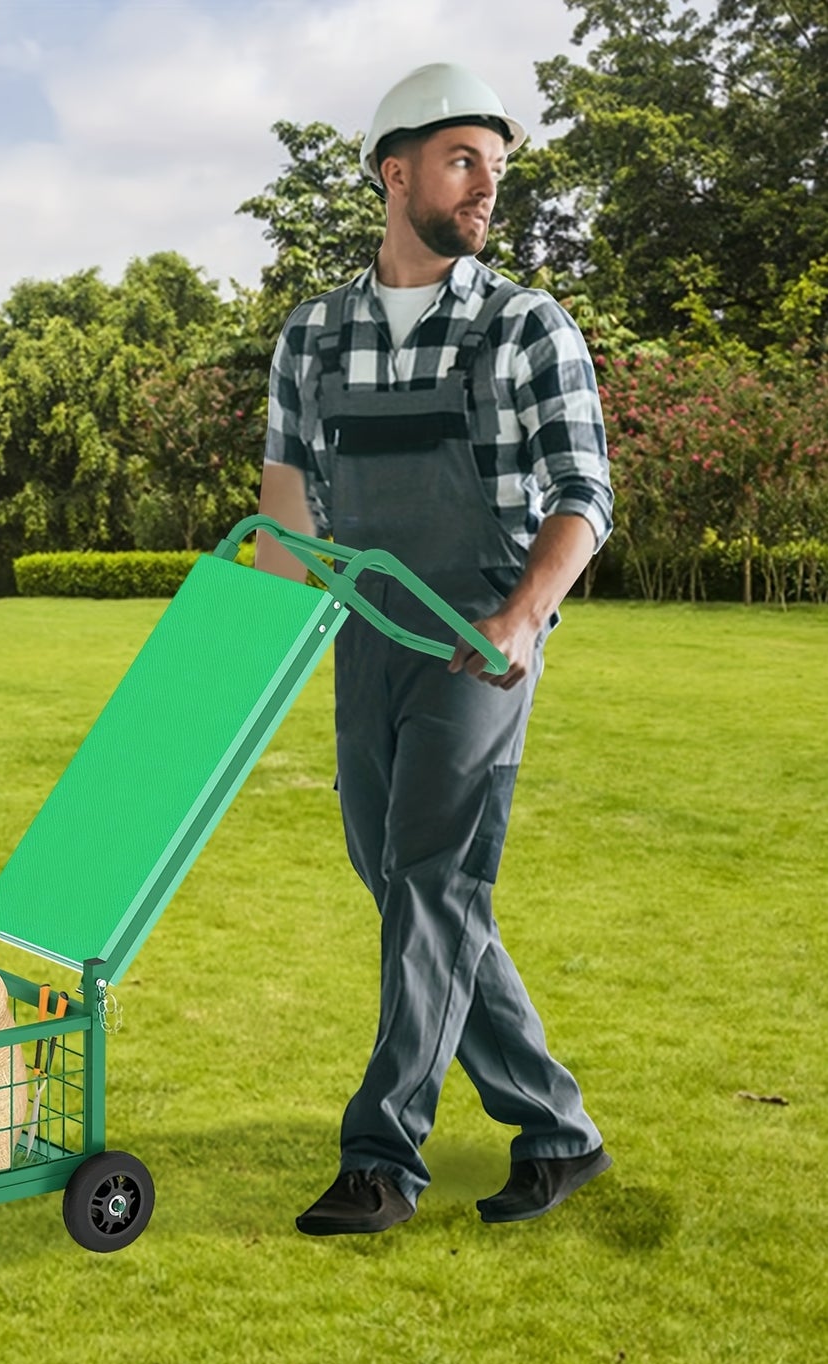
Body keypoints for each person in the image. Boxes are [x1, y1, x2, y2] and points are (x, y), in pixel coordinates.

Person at [255, 62, 614, 1234]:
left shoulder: (523, 325)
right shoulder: (312, 334)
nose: (484, 190)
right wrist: (258, 648)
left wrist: (519, 615)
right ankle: (557, 1131)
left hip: (477, 638)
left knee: (427, 879)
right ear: (390, 171)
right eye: (463, 162)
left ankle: (381, 1157)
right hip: (367, 639)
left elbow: (582, 492)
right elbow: (290, 502)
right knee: (414, 888)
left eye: (496, 171)